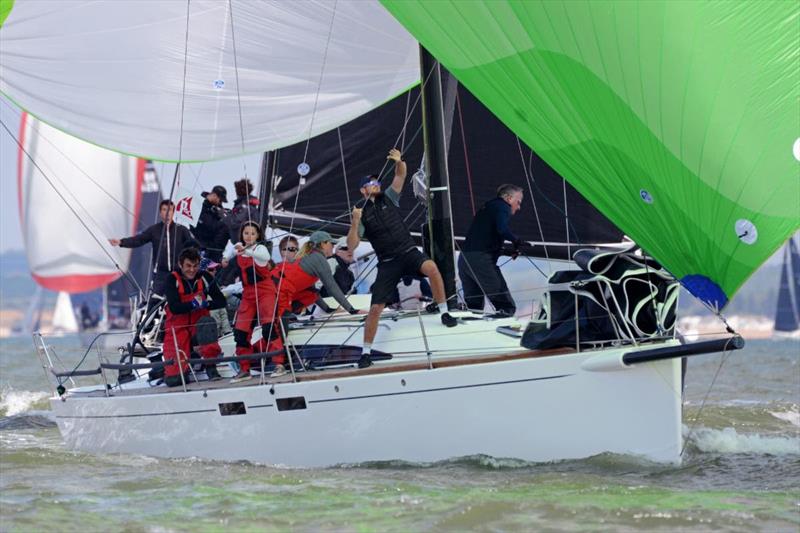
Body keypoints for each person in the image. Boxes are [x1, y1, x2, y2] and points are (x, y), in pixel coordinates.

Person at [347, 148, 457, 369]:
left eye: (377, 182)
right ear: (363, 190)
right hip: (388, 262)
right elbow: (352, 245)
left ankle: (444, 312)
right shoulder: (362, 213)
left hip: (408, 252)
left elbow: (401, 175)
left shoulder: (389, 196)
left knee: (432, 268)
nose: (376, 185)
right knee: (376, 307)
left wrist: (399, 161)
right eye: (371, 183)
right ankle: (366, 352)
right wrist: (355, 221)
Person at [162, 247, 226, 387]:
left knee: (208, 323)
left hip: (199, 326)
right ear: (180, 264)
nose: (192, 270)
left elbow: (222, 301)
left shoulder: (205, 277)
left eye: (195, 266)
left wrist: (206, 304)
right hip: (178, 328)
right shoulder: (171, 279)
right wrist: (192, 305)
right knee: (175, 381)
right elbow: (174, 307)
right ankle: (177, 369)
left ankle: (211, 366)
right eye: (188, 266)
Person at [458, 184, 524, 316]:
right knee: (506, 307)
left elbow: (482, 240)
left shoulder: (488, 206)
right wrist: (516, 240)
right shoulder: (503, 207)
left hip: (464, 260)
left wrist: (506, 251)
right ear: (509, 198)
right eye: (518, 202)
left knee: (474, 308)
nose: (519, 207)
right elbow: (502, 229)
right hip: (480, 262)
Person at [109, 200, 197, 296]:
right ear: (160, 213)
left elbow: (192, 247)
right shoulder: (154, 230)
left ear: (173, 212)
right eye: (164, 210)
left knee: (182, 298)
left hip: (180, 273)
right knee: (154, 301)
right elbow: (139, 240)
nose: (167, 213)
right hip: (160, 274)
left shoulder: (181, 230)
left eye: (170, 210)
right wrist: (121, 242)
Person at [231, 221, 283, 383]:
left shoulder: (260, 250)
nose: (249, 236)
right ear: (242, 235)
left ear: (258, 236)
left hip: (264, 291)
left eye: (253, 233)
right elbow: (231, 267)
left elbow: (265, 258)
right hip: (248, 294)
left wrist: (248, 251)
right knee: (240, 332)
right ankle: (244, 369)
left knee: (268, 327)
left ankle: (279, 364)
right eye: (246, 233)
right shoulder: (239, 251)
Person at [274, 231, 362, 322]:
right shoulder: (318, 258)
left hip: (278, 290)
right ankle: (283, 316)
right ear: (323, 244)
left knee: (311, 294)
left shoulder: (310, 257)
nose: (333, 246)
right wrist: (353, 310)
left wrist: (327, 309)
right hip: (278, 291)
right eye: (331, 243)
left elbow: (312, 292)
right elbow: (332, 287)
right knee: (277, 332)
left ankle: (286, 314)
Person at [193, 185, 230, 262]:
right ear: (214, 195)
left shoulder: (216, 207)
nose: (220, 202)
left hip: (213, 248)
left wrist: (224, 214)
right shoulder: (199, 204)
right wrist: (221, 220)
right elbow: (208, 224)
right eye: (220, 200)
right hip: (201, 245)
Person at [225, 178, 261, 244]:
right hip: (243, 243)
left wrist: (223, 215)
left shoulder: (245, 207)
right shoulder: (248, 205)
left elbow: (234, 223)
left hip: (243, 244)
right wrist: (230, 213)